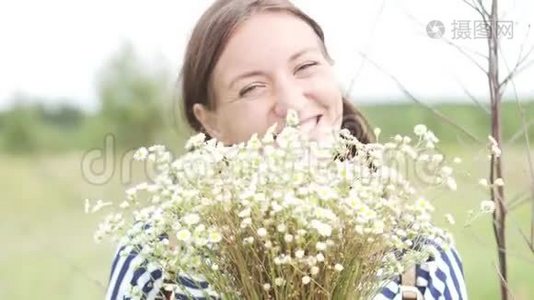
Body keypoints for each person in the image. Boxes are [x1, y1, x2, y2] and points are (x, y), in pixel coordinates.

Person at [105, 0, 468, 299]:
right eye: (252, 88)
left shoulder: (420, 260)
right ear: (209, 122)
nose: (291, 104)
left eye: (306, 66)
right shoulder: (156, 256)